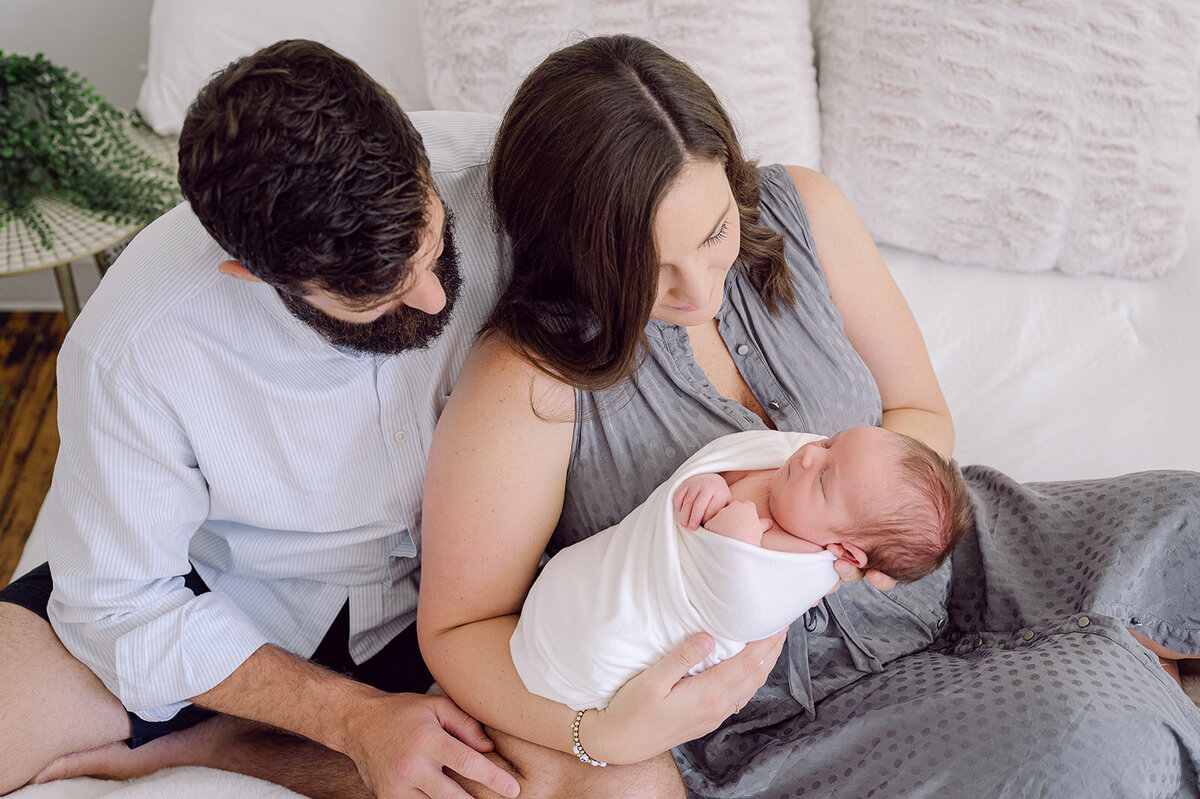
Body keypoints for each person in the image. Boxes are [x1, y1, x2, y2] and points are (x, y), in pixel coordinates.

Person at [418, 33, 1200, 798]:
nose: (699, 291)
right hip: (799, 701)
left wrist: (870, 519)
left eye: (714, 232)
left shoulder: (804, 212)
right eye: (649, 272)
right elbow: (458, 631)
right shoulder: (529, 380)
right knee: (1097, 726)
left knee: (1189, 527)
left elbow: (919, 409)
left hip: (948, 553)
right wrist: (601, 732)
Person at [0, 39, 690, 799]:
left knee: (628, 786)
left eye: (432, 246)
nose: (433, 298)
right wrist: (354, 720)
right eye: (378, 297)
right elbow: (120, 602)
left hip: (477, 601)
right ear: (254, 274)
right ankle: (259, 732)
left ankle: (239, 749)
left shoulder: (507, 176)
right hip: (240, 599)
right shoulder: (132, 344)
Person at [511, 426, 974, 711]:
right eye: (832, 442)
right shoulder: (794, 473)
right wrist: (710, 481)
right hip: (594, 574)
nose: (810, 454)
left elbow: (740, 614)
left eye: (824, 478)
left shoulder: (800, 570)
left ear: (845, 553)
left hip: (628, 628)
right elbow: (724, 465)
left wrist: (728, 525)